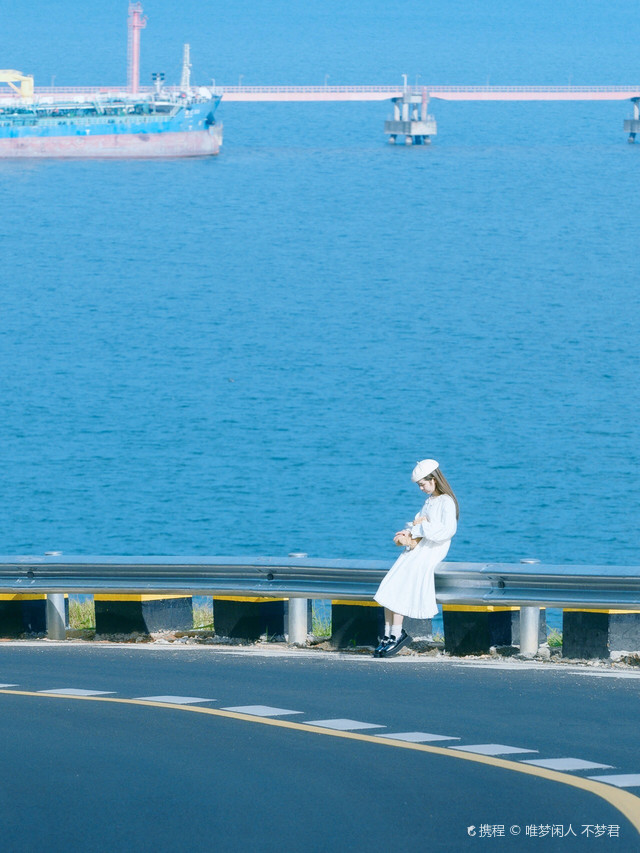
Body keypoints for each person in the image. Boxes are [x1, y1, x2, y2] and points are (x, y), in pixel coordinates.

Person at [373, 458, 459, 657]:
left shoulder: (447, 501)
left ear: (434, 480)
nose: (421, 488)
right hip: (420, 547)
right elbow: (419, 524)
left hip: (431, 550)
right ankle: (388, 634)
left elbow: (447, 530)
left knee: (399, 587)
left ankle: (397, 634)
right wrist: (408, 532)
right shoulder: (430, 502)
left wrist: (420, 527)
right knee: (389, 586)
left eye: (423, 484)